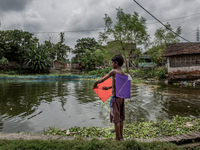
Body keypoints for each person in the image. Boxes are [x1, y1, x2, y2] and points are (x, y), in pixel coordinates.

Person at [93, 54, 125, 141]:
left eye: (112, 63)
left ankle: (117, 139)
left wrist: (96, 83)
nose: (111, 64)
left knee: (116, 119)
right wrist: (109, 88)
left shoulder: (113, 72)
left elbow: (102, 80)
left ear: (116, 63)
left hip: (115, 98)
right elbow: (120, 85)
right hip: (121, 98)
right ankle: (121, 137)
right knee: (121, 118)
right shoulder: (123, 73)